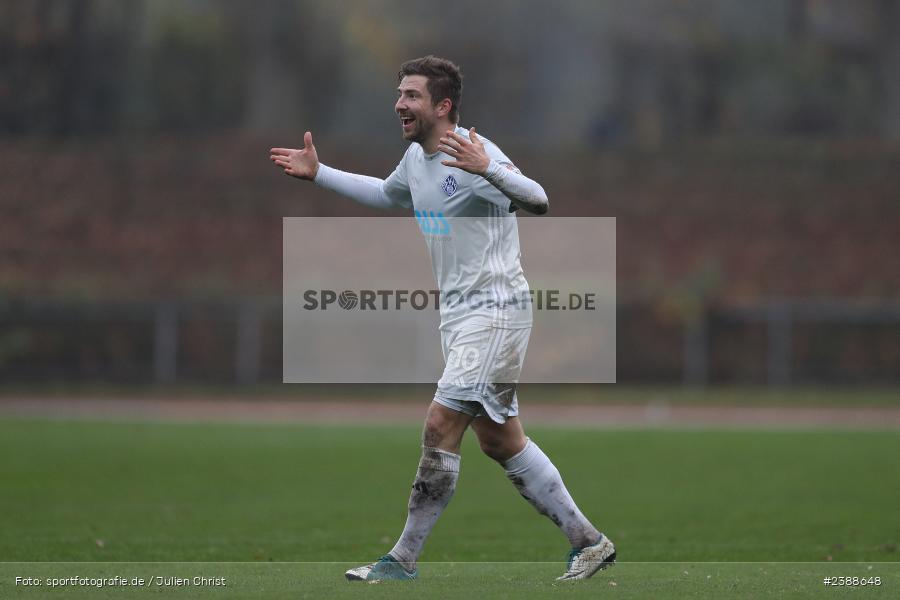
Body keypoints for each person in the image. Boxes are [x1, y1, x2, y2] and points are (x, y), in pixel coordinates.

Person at [270, 55, 615, 582]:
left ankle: (402, 560)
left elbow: (540, 200)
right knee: (500, 441)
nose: (399, 104)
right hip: (460, 318)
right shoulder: (416, 160)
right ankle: (588, 543)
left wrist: (489, 170)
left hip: (496, 311)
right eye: (399, 94)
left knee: (439, 422)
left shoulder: (473, 153)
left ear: (443, 105)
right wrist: (319, 174)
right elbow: (387, 195)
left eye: (410, 95)